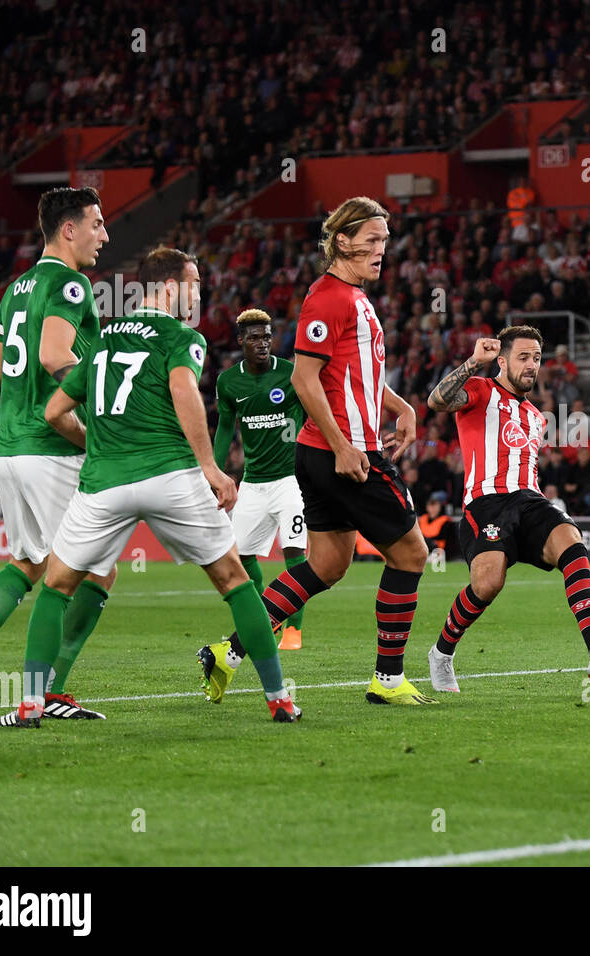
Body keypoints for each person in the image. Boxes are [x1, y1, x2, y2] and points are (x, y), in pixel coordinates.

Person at [0, 247, 299, 727]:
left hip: (103, 483)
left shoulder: (105, 338)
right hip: (170, 475)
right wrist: (211, 469)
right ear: (171, 286)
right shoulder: (182, 336)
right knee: (236, 581)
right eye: (194, 283)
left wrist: (96, 444)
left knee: (55, 586)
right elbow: (183, 393)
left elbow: (54, 412)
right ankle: (280, 699)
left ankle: (30, 703)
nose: (199, 292)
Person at [199, 197, 435, 707]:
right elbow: (305, 380)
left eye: (385, 240)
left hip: (332, 452)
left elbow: (350, 376)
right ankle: (388, 679)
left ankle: (228, 653)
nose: (381, 249)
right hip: (346, 455)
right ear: (343, 240)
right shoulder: (327, 298)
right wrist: (343, 446)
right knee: (413, 554)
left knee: (326, 565)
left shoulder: (353, 296)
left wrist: (402, 407)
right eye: (372, 239)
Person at [0, 188, 116, 720]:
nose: (104, 235)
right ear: (68, 229)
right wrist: (101, 408)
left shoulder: (15, 289)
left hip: (13, 449)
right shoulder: (70, 283)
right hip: (53, 446)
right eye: (97, 224)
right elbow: (54, 355)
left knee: (28, 563)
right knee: (97, 571)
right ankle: (49, 691)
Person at [423, 326, 590, 693]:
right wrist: (473, 363)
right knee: (487, 584)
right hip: (486, 503)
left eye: (536, 357)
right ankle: (441, 653)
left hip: (529, 500)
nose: (532, 365)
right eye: (523, 357)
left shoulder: (536, 416)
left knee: (571, 541)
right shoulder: (481, 390)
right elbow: (436, 401)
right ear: (501, 360)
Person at [212, 309, 309, 650]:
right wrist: (214, 471)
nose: (262, 343)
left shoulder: (292, 374)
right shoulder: (228, 382)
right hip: (253, 483)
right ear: (240, 341)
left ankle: (293, 630)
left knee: (294, 551)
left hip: (291, 481)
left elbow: (315, 414)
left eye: (267, 336)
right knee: (241, 559)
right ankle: (262, 619)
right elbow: (225, 429)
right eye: (254, 337)